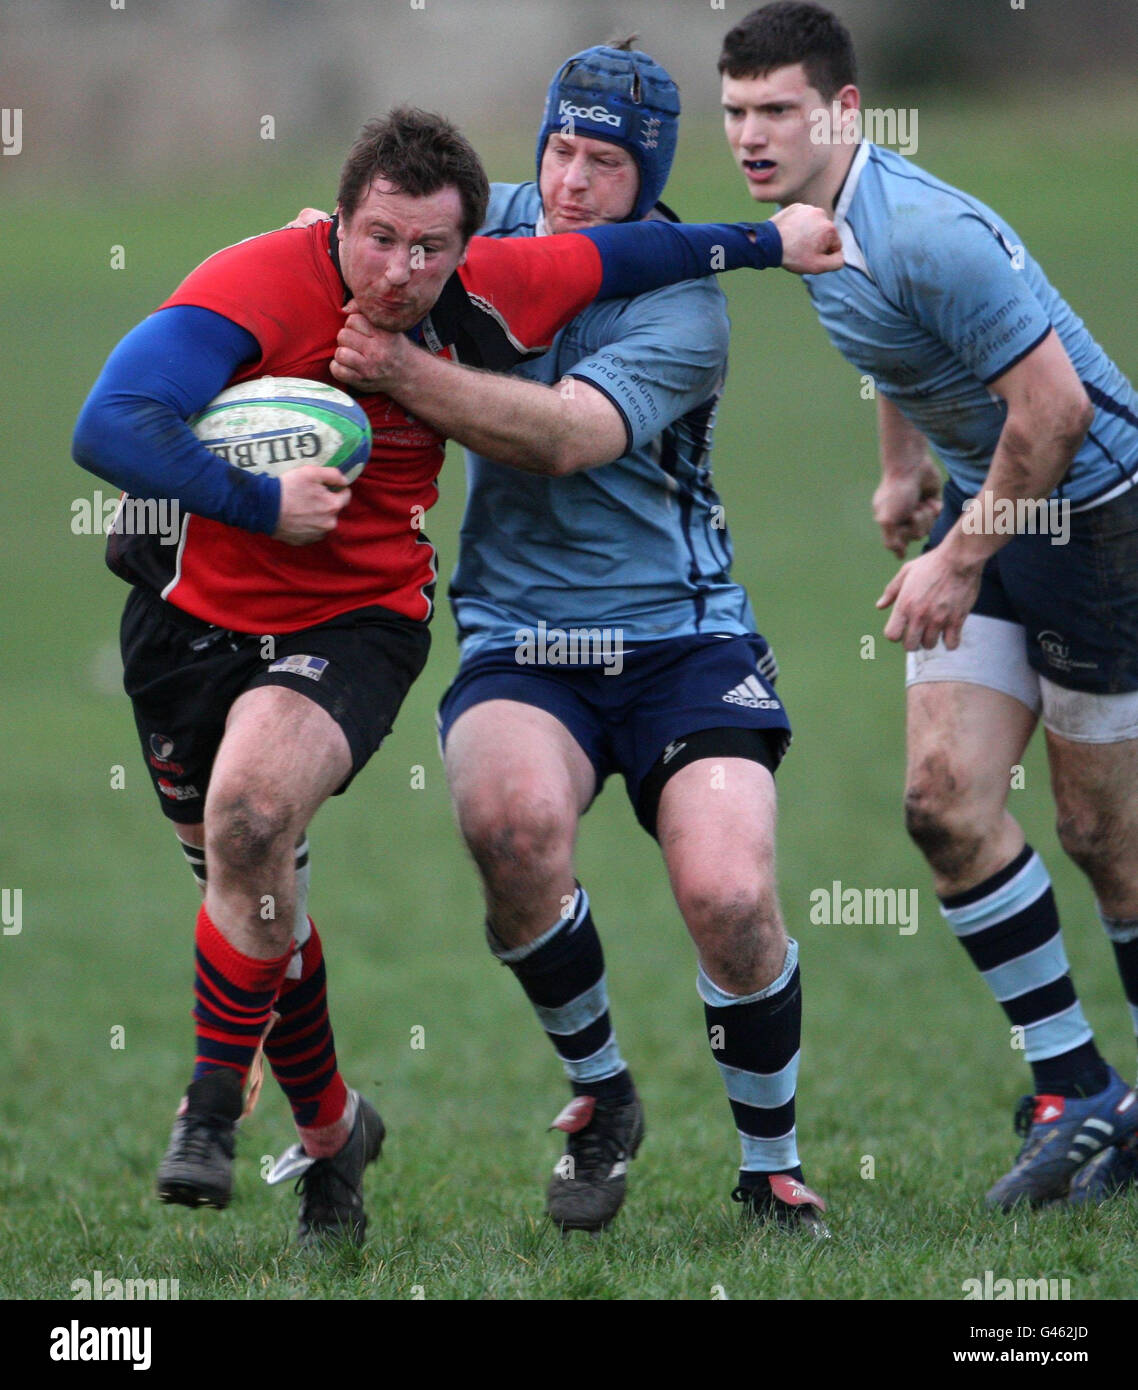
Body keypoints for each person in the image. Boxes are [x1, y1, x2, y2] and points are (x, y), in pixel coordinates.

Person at [71, 105, 841, 1246]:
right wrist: (256, 499)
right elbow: (110, 421)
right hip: (187, 626)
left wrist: (773, 240)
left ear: (463, 248)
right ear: (338, 222)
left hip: (354, 621)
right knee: (251, 879)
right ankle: (334, 1133)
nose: (400, 270)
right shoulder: (259, 279)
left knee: (251, 822)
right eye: (378, 239)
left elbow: (637, 251)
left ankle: (205, 1110)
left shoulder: (484, 288)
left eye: (429, 249)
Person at [320, 44, 842, 1236]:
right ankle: (602, 1096)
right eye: (558, 147)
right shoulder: (483, 221)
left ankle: (771, 1166)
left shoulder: (682, 311)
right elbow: (338, 251)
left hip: (682, 638)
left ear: (645, 173)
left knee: (727, 891)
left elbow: (559, 436)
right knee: (508, 827)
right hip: (521, 632)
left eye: (602, 162)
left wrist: (399, 369)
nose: (568, 180)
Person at [719, 1, 1138, 1207]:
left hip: (1092, 516)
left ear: (841, 111)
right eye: (737, 110)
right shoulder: (808, 226)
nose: (751, 134)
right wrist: (904, 466)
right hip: (987, 499)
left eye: (777, 110)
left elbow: (1053, 414)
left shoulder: (926, 231)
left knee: (1104, 840)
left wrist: (957, 557)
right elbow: (898, 352)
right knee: (942, 806)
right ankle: (1077, 1090)